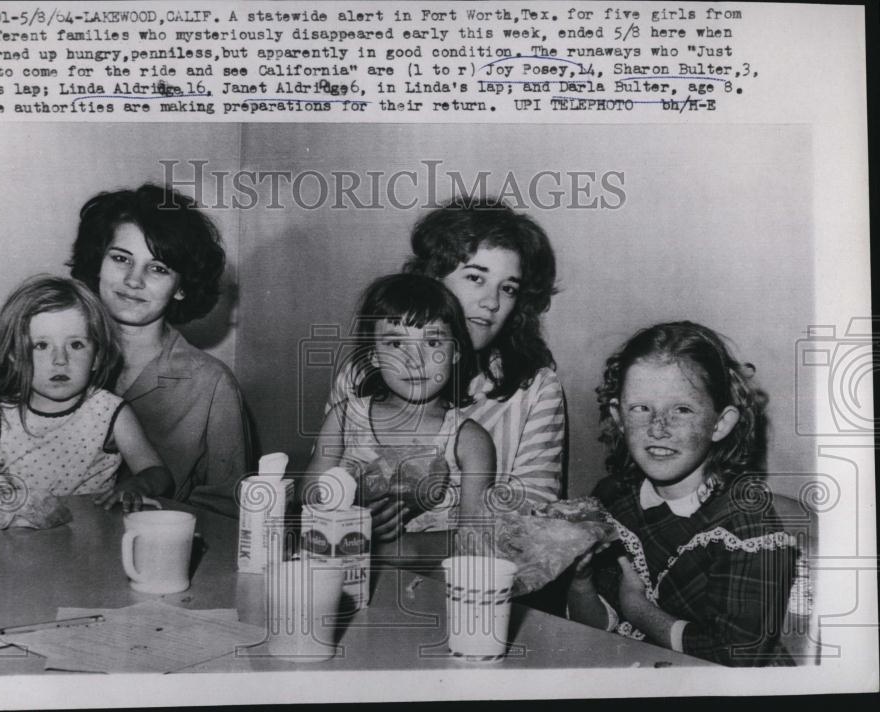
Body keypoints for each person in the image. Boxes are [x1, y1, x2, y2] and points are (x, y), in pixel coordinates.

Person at [329, 197, 565, 543]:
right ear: (432, 278)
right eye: (475, 278)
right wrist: (355, 516)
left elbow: (534, 525)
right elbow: (327, 483)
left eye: (508, 288)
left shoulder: (536, 389)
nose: (492, 302)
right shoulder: (360, 373)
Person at [567, 321, 797, 666]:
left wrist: (640, 610)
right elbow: (598, 631)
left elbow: (738, 655)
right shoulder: (614, 497)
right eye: (641, 408)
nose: (658, 427)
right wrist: (581, 582)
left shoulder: (746, 522)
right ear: (618, 417)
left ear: (720, 424)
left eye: (682, 409)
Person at [69, 184, 253, 516]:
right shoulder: (49, 357)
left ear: (181, 288)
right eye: (121, 258)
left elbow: (231, 516)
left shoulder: (212, 385)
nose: (133, 280)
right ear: (97, 262)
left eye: (158, 268)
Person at [0, 276, 172, 506]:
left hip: (91, 537)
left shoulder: (109, 412)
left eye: (76, 345)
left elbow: (159, 474)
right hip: (21, 538)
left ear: (97, 357)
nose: (60, 360)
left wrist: (137, 485)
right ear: (15, 357)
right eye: (41, 345)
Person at [306, 274, 495, 536]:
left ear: (456, 353)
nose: (414, 360)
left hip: (433, 574)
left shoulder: (470, 440)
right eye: (396, 343)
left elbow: (474, 539)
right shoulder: (343, 418)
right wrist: (353, 516)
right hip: (348, 562)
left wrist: (403, 549)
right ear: (372, 355)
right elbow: (309, 499)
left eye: (432, 342)